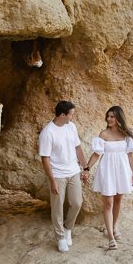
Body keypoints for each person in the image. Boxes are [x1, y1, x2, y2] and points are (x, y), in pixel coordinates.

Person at [83, 105, 133, 250]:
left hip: (122, 170)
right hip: (107, 171)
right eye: (108, 116)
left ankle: (114, 227)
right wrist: (87, 168)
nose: (109, 119)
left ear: (119, 117)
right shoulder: (103, 134)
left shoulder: (127, 135)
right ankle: (111, 238)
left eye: (112, 116)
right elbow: (96, 154)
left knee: (118, 200)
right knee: (108, 203)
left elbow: (130, 156)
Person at [38, 100, 89, 252]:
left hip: (73, 171)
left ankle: (68, 229)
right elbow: (45, 158)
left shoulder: (71, 127)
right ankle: (60, 237)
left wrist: (85, 168)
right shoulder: (48, 132)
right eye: (71, 114)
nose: (73, 117)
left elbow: (77, 148)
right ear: (62, 114)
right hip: (58, 175)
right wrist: (52, 180)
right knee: (57, 208)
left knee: (77, 203)